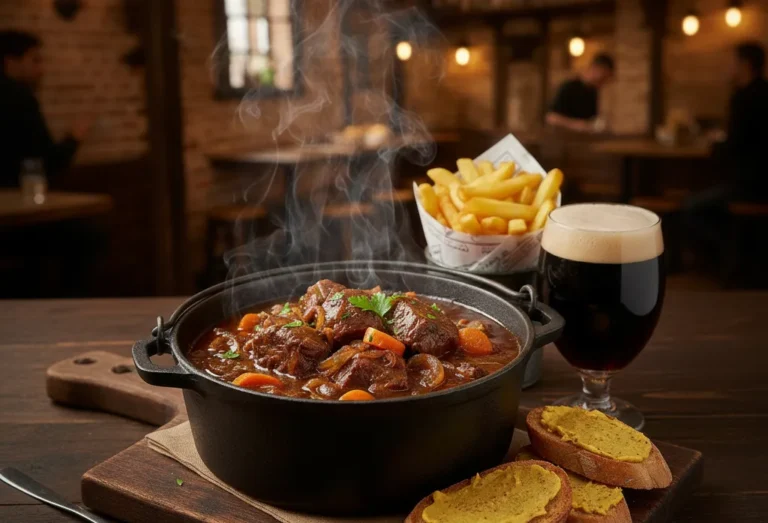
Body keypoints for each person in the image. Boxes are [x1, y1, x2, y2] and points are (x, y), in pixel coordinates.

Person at [0, 30, 90, 188]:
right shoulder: (20, 98)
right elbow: (45, 160)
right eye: (35, 60)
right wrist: (74, 138)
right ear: (10, 62)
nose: (41, 70)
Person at [546, 53, 614, 133]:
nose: (603, 83)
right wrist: (576, 125)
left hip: (582, 142)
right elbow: (551, 118)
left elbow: (590, 121)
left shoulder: (593, 92)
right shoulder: (568, 87)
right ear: (595, 68)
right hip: (562, 140)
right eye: (603, 78)